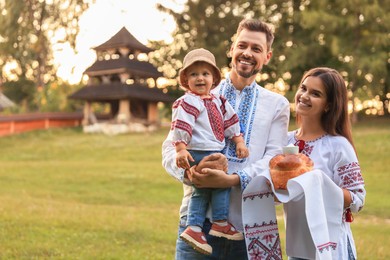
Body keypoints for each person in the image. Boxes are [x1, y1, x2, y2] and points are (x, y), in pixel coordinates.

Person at [162, 18, 290, 259]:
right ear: (231, 50)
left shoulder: (277, 105)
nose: (247, 53)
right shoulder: (198, 92)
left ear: (267, 57)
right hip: (198, 226)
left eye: (256, 49)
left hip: (250, 226)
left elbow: (274, 160)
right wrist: (190, 172)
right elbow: (169, 149)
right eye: (242, 45)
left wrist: (232, 180)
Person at [169, 48, 249, 255]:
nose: (200, 78)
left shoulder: (218, 101)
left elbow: (231, 122)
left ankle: (220, 222)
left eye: (205, 73)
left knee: (221, 186)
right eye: (194, 74)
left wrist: (239, 142)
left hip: (214, 150)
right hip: (196, 151)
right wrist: (180, 149)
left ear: (214, 79)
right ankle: (195, 226)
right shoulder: (188, 101)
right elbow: (180, 126)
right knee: (202, 188)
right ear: (186, 80)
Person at [285, 67, 366, 260]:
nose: (304, 96)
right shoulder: (286, 142)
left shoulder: (338, 145)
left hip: (331, 249)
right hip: (297, 248)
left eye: (315, 93)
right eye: (303, 88)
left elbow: (358, 200)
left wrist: (320, 184)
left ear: (328, 105)